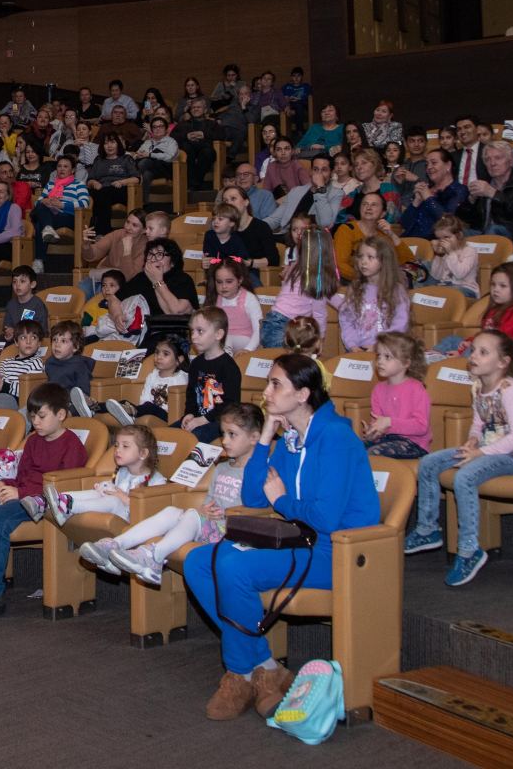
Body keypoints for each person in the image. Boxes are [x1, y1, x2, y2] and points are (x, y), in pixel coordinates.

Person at [185, 353, 380, 719]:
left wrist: (284, 501)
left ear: (303, 394)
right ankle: (265, 665)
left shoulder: (335, 436)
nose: (266, 391)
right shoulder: (292, 436)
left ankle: (239, 672)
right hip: (296, 539)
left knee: (231, 564)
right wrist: (266, 439)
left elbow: (324, 516)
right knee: (198, 560)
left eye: (276, 384)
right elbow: (257, 497)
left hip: (335, 550)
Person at [0, 384, 88, 622]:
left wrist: (19, 492)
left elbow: (62, 486)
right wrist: (2, 483)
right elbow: (22, 475)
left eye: (41, 416)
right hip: (19, 493)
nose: (36, 422)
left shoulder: (72, 445)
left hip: (40, 501)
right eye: (32, 417)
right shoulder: (33, 441)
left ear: (61, 414)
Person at [404, 331, 513, 586]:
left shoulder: (511, 391)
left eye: (483, 352)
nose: (473, 356)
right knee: (429, 463)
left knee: (464, 477)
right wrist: (473, 440)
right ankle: (428, 529)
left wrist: (479, 453)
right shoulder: (478, 386)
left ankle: (469, 549)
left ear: (502, 362)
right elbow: (478, 424)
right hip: (485, 451)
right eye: (473, 350)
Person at [82, 404, 262, 585]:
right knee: (171, 511)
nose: (225, 441)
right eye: (223, 434)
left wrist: (217, 514)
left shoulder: (259, 471)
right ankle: (115, 545)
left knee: (191, 514)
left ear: (254, 437)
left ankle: (154, 556)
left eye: (232, 435)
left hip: (232, 534)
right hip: (211, 526)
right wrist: (204, 509)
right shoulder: (221, 467)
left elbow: (258, 509)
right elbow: (209, 500)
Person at [44, 422, 166, 525]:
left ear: (143, 453)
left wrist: (123, 498)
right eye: (117, 445)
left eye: (125, 446)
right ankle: (55, 500)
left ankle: (70, 507)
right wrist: (104, 486)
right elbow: (113, 489)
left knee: (114, 500)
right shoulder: (122, 472)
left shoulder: (157, 481)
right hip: (115, 511)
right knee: (95, 493)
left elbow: (150, 512)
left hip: (132, 521)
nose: (118, 450)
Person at [259, 227, 338, 348]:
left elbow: (329, 294)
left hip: (272, 322)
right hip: (283, 327)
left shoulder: (297, 266)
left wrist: (348, 305)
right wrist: (320, 339)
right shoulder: (315, 278)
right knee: (288, 364)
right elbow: (319, 314)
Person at [363, 332, 431, 458]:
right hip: (387, 440)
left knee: (372, 454)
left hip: (413, 444)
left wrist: (389, 422)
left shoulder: (416, 389)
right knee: (351, 449)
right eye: (379, 356)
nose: (380, 361)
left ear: (406, 363)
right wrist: (373, 432)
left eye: (387, 357)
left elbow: (421, 426)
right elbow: (378, 424)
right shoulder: (378, 389)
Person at [119, 238, 199, 344]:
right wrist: (117, 315)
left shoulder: (183, 279)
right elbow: (114, 298)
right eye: (150, 254)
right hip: (140, 335)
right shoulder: (141, 278)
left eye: (160, 254)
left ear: (173, 261)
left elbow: (176, 312)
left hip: (174, 336)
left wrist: (157, 281)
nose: (154, 259)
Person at [337, 239, 411, 350]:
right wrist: (352, 345)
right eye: (361, 257)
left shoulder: (396, 290)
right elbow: (347, 320)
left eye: (370, 257)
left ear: (383, 260)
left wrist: (379, 345)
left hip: (387, 350)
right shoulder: (355, 289)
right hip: (359, 350)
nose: (363, 262)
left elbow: (400, 323)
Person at [179, 308, 241, 442]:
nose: (193, 336)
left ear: (218, 334)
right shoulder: (196, 363)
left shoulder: (229, 367)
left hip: (219, 422)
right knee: (170, 435)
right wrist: (189, 414)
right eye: (192, 331)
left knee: (192, 439)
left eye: (200, 331)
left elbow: (230, 405)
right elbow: (191, 394)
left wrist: (202, 420)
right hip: (197, 419)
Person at [465, 141, 513, 240]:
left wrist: (493, 193)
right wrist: (471, 200)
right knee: (455, 234)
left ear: (511, 160)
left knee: (494, 230)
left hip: (511, 233)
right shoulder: (484, 181)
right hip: (481, 232)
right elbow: (465, 218)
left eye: (498, 158)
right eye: (487, 159)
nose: (492, 163)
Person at [0, 319, 47, 410]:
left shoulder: (36, 363)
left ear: (39, 343)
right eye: (23, 337)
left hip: (13, 399)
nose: (28, 341)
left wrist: (4, 386)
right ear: (16, 342)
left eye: (33, 338)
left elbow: (29, 389)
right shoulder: (6, 362)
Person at [399, 149, 469, 238]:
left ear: (448, 165)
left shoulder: (459, 190)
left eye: (434, 163)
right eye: (427, 164)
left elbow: (448, 221)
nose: (429, 167)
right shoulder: (425, 189)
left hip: (437, 244)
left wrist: (428, 198)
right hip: (411, 241)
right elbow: (404, 223)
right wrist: (416, 202)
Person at [208, 259, 263, 352]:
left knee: (227, 339)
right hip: (222, 341)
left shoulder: (249, 298)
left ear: (239, 280)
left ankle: (225, 364)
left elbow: (258, 330)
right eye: (219, 282)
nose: (224, 286)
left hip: (246, 341)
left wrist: (248, 349)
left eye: (229, 281)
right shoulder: (215, 299)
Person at [420, 215, 480, 298]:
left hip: (466, 289)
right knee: (427, 290)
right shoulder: (444, 252)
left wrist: (451, 253)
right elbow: (436, 276)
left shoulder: (469, 251)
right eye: (439, 238)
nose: (442, 241)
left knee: (447, 293)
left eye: (446, 237)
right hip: (446, 288)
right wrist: (439, 255)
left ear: (459, 235)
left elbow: (460, 274)